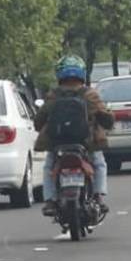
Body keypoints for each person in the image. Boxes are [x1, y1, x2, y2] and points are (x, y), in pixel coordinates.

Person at [34, 55, 114, 216]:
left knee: (49, 166)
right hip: (87, 143)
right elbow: (106, 119)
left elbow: (39, 120)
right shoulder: (90, 94)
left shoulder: (53, 95)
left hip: (57, 143)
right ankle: (98, 197)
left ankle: (50, 201)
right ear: (81, 73)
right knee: (99, 164)